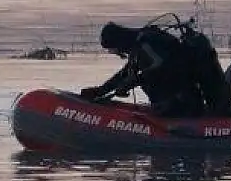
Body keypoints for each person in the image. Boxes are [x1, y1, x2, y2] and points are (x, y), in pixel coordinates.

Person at [80, 21, 218, 118]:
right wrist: (101, 91)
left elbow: (161, 67)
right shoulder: (139, 45)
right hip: (178, 101)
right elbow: (125, 74)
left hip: (183, 103)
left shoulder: (146, 44)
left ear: (118, 43)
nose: (114, 52)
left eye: (112, 49)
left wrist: (133, 82)